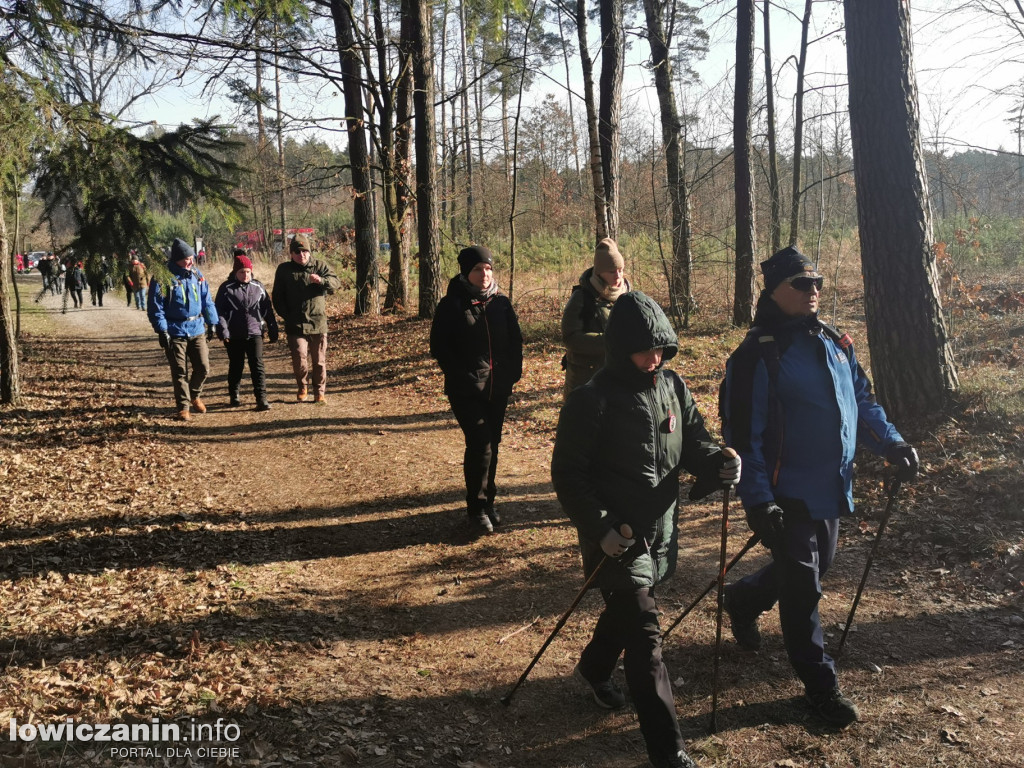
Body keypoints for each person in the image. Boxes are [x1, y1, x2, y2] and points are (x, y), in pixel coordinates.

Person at [720, 246, 920, 728]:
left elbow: (863, 403)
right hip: (784, 491)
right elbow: (742, 435)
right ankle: (820, 685)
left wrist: (892, 444)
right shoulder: (755, 356)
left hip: (829, 486)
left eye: (818, 284)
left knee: (816, 565)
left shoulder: (835, 343)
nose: (813, 292)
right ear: (773, 291)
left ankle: (743, 599)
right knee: (804, 586)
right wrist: (758, 500)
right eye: (802, 284)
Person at [551, 291, 741, 768]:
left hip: (661, 529)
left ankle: (593, 668)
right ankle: (668, 751)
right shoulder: (590, 400)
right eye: (643, 349)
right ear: (619, 347)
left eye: (660, 349)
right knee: (645, 639)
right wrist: (600, 528)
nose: (652, 358)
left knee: (628, 611)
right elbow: (568, 475)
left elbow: (694, 440)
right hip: (617, 537)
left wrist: (718, 461)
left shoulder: (672, 386)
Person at [429, 246, 523, 534]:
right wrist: (462, 376)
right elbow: (440, 348)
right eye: (478, 269)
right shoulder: (452, 305)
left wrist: (512, 374)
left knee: (492, 445)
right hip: (466, 390)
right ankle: (476, 508)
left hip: (498, 388)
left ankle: (489, 502)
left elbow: (515, 342)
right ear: (466, 273)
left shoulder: (501, 303)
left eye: (488, 268)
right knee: (480, 443)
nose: (484, 274)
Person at [148, 238, 219, 421]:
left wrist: (212, 322)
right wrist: (162, 330)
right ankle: (183, 407)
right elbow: (156, 307)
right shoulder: (162, 278)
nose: (191, 261)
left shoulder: (197, 274)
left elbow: (207, 300)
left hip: (196, 328)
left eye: (192, 258)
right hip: (174, 331)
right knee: (180, 372)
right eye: (187, 258)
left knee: (203, 367)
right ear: (177, 259)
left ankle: (194, 394)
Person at [272, 234, 339, 403]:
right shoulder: (284, 270)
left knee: (319, 361)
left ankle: (319, 392)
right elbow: (277, 297)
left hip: (317, 322)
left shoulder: (320, 266)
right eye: (296, 251)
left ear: (309, 252)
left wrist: (322, 281)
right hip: (295, 323)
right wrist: (286, 315)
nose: (301, 254)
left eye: (304, 251)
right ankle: (302, 386)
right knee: (299, 357)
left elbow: (336, 283)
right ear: (291, 253)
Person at [561, 237, 631, 397]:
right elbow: (570, 338)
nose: (618, 276)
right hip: (585, 378)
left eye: (620, 270)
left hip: (619, 377)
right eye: (612, 271)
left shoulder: (628, 295)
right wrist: (608, 341)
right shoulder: (582, 297)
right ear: (600, 273)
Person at [215, 249, 278, 411]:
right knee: (236, 365)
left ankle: (261, 399)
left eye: (248, 272)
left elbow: (267, 310)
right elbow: (219, 311)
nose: (245, 275)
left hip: (255, 332)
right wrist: (223, 331)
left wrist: (272, 327)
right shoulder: (226, 288)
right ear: (236, 272)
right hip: (233, 334)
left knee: (257, 365)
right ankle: (234, 395)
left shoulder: (258, 287)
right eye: (242, 272)